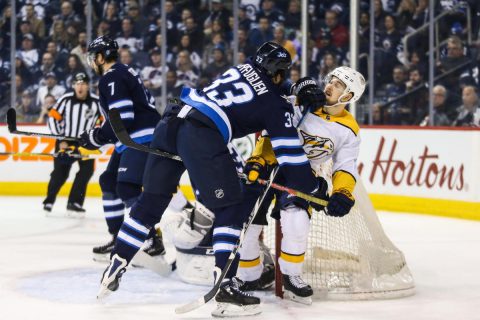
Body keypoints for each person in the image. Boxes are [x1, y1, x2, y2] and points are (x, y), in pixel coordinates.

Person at [97, 41, 321, 317]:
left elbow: (266, 87)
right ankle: (226, 290)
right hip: (200, 132)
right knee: (232, 207)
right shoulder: (275, 105)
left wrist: (298, 88)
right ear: (279, 74)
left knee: (152, 199)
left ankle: (117, 261)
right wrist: (315, 188)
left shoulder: (243, 67)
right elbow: (291, 157)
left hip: (170, 121)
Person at [238, 67, 366, 304]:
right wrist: (259, 158)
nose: (329, 86)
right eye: (331, 80)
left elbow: (344, 166)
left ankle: (291, 274)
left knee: (297, 221)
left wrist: (343, 191)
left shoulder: (349, 130)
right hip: (269, 162)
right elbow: (272, 113)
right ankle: (248, 276)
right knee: (247, 220)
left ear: (348, 97)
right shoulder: (305, 101)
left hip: (302, 174)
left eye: (338, 85)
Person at [77, 36, 164, 260]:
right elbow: (118, 119)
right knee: (109, 181)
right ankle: (118, 236)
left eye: (93, 57)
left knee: (127, 188)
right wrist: (99, 135)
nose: (92, 62)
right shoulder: (123, 71)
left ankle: (151, 238)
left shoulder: (111, 77)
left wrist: (96, 136)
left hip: (138, 138)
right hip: (130, 139)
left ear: (101, 56)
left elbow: (123, 118)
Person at [43, 72, 102, 214]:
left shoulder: (96, 102)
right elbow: (53, 118)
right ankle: (49, 201)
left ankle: (74, 202)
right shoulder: (66, 99)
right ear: (74, 85)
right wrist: (61, 139)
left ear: (88, 86)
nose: (80, 86)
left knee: (86, 172)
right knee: (60, 173)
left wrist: (96, 142)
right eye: (77, 84)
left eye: (83, 84)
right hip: (65, 141)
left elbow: (102, 123)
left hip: (86, 143)